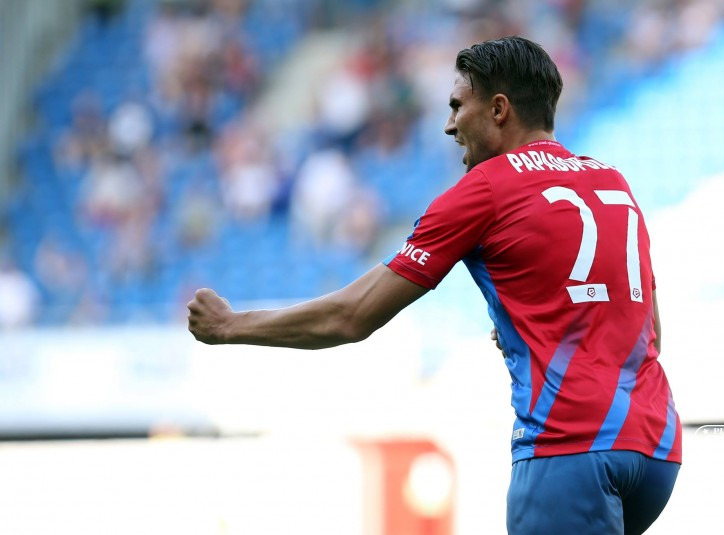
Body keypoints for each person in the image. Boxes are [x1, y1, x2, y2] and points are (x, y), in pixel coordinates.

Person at [188, 36, 681, 534]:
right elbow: (647, 328)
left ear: (499, 110)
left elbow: (352, 316)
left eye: (457, 106)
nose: (448, 125)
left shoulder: (484, 189)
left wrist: (231, 326)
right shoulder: (611, 181)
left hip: (571, 447)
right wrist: (534, 324)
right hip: (656, 448)